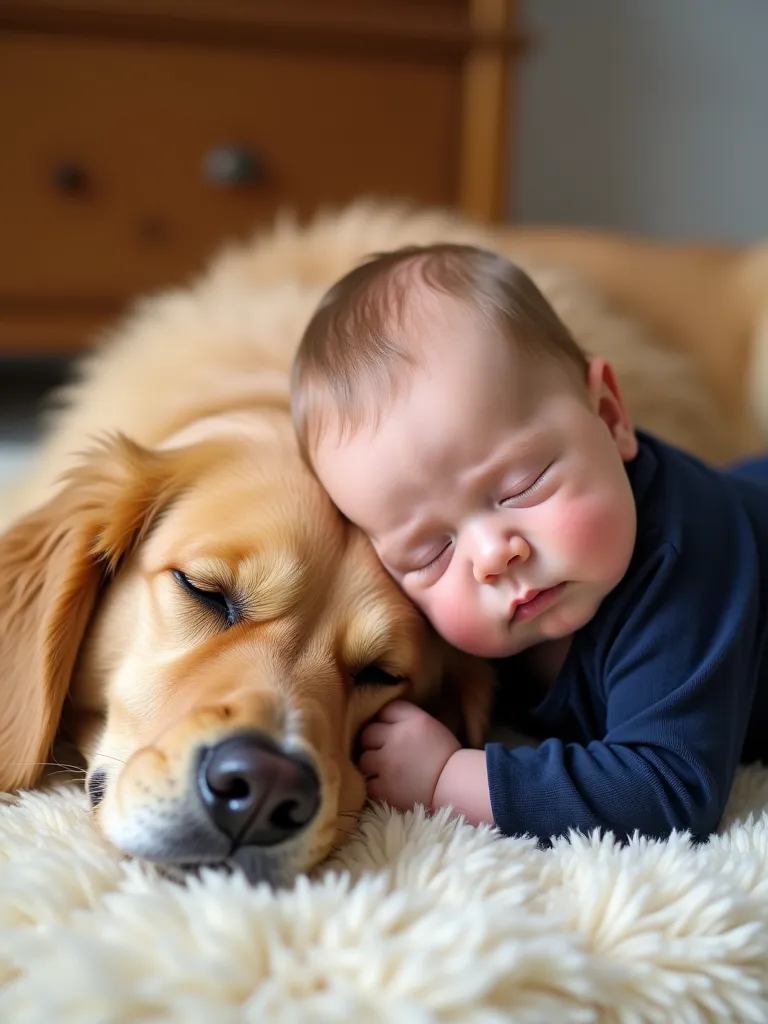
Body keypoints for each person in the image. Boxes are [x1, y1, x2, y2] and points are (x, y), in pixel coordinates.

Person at [289, 242, 768, 842]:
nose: (493, 556)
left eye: (521, 487)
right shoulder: (460, 624)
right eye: (432, 552)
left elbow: (666, 790)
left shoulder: (682, 561)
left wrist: (446, 777)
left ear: (611, 416)